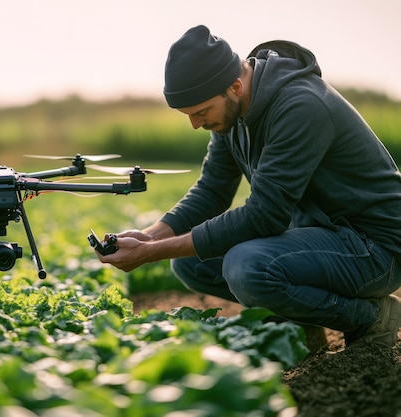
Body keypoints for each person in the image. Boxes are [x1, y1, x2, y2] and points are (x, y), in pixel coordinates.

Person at [95, 25, 401, 350]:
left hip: (376, 249)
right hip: (325, 236)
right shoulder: (232, 113)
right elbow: (212, 190)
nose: (196, 124)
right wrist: (152, 236)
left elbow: (264, 216)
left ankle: (370, 317)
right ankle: (301, 322)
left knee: (247, 266)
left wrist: (154, 252)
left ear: (236, 86)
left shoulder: (302, 106)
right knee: (188, 261)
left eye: (200, 112)